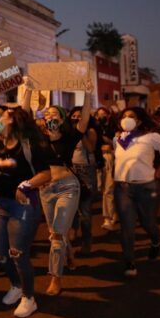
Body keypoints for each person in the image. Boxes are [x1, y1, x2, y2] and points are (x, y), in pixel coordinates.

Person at [0, 107, 51, 318]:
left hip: (23, 206)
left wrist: (26, 185)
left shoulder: (29, 146)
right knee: (0, 256)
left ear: (15, 122)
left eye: (4, 117)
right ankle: (16, 285)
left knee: (18, 255)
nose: (0, 120)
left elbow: (46, 174)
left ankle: (29, 298)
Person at [38, 91, 91, 296]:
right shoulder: (39, 138)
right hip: (45, 190)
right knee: (55, 232)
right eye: (47, 114)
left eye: (54, 114)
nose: (50, 117)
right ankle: (68, 254)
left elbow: (85, 118)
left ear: (61, 119)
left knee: (57, 235)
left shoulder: (69, 137)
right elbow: (23, 116)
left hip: (67, 186)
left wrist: (87, 94)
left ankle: (55, 278)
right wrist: (30, 94)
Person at [113, 107, 160, 277]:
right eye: (124, 117)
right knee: (127, 226)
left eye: (131, 117)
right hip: (122, 188)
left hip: (146, 187)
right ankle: (129, 261)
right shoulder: (117, 139)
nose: (126, 119)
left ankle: (155, 240)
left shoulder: (151, 137)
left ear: (139, 121)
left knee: (148, 224)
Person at [69, 107, 99, 255]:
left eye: (79, 117)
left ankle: (87, 243)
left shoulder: (90, 132)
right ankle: (73, 231)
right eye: (73, 116)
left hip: (85, 171)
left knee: (85, 210)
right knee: (71, 206)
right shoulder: (67, 132)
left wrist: (81, 133)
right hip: (70, 170)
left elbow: (91, 148)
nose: (76, 119)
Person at [95, 107, 118, 231]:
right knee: (102, 188)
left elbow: (117, 144)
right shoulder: (95, 128)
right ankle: (114, 212)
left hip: (112, 158)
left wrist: (106, 141)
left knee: (108, 189)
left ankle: (107, 218)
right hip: (99, 160)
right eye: (99, 114)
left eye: (103, 113)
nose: (101, 116)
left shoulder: (115, 127)